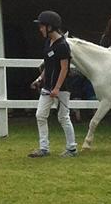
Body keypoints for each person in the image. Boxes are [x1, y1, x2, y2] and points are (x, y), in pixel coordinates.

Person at [29, 11, 77, 158]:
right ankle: (44, 147)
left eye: (42, 26)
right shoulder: (48, 43)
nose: (40, 29)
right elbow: (48, 66)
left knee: (63, 117)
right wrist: (39, 79)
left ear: (50, 27)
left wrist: (57, 88)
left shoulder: (62, 45)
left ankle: (72, 148)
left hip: (61, 88)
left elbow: (64, 68)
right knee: (40, 115)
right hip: (47, 87)